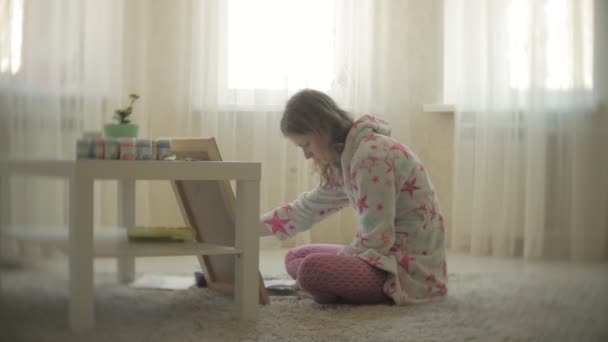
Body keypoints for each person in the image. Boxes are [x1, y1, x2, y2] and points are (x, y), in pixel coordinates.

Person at [259, 89, 447, 305]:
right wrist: (244, 229)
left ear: (322, 128)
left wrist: (330, 268)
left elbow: (377, 239)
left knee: (311, 270)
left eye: (306, 144)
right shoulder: (349, 156)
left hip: (403, 268)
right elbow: (306, 209)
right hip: (385, 254)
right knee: (295, 258)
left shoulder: (370, 156)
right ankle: (329, 287)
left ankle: (327, 287)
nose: (307, 155)